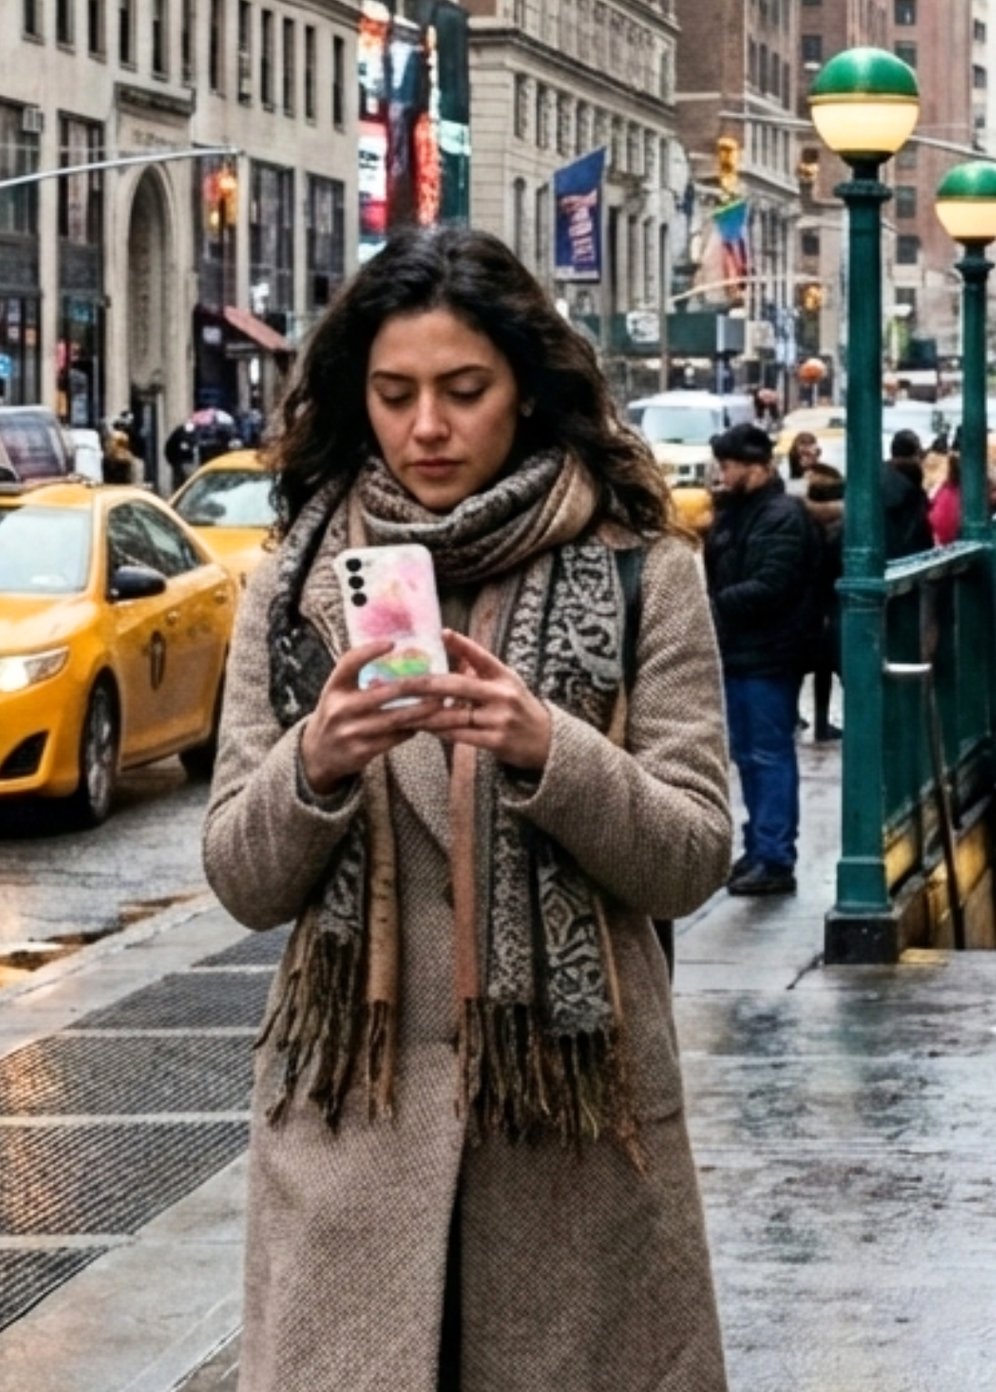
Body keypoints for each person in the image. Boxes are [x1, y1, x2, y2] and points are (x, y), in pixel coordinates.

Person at [203, 225, 733, 1392]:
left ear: (527, 394)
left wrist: (551, 747)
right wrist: (317, 763)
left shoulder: (642, 563)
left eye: (462, 390)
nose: (425, 427)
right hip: (352, 1132)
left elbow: (693, 852)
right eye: (393, 394)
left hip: (574, 1136)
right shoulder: (295, 580)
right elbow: (240, 876)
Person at [704, 420, 824, 897]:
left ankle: (773, 855)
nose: (723, 475)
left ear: (757, 468)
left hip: (767, 653)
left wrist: (711, 606)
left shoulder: (777, 517)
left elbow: (772, 585)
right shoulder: (748, 513)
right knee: (751, 754)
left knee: (766, 754)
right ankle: (761, 848)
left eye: (730, 466)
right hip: (747, 651)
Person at [803, 464, 845, 743]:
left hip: (810, 604)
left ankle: (818, 722)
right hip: (837, 603)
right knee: (840, 667)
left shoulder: (803, 524)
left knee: (818, 669)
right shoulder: (845, 528)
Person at [882, 427, 933, 559]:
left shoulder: (877, 478)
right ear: (916, 455)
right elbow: (918, 534)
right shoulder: (911, 489)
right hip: (904, 560)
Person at [784, 429, 823, 495]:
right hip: (797, 479)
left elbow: (815, 466)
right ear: (796, 444)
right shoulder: (793, 453)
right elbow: (800, 469)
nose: (806, 447)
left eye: (809, 444)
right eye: (803, 444)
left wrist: (813, 455)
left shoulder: (817, 450)